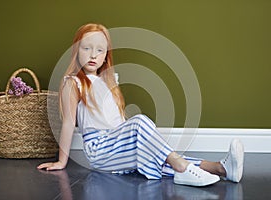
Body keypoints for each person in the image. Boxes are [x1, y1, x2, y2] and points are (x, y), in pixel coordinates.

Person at [37, 23, 244, 187]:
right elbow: (67, 123)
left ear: (105, 56)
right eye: (87, 48)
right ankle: (181, 168)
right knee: (140, 123)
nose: (93, 55)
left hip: (118, 142)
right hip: (99, 150)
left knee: (155, 151)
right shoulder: (73, 82)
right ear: (76, 50)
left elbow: (117, 119)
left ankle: (221, 169)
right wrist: (61, 162)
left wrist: (139, 138)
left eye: (99, 50)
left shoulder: (109, 81)